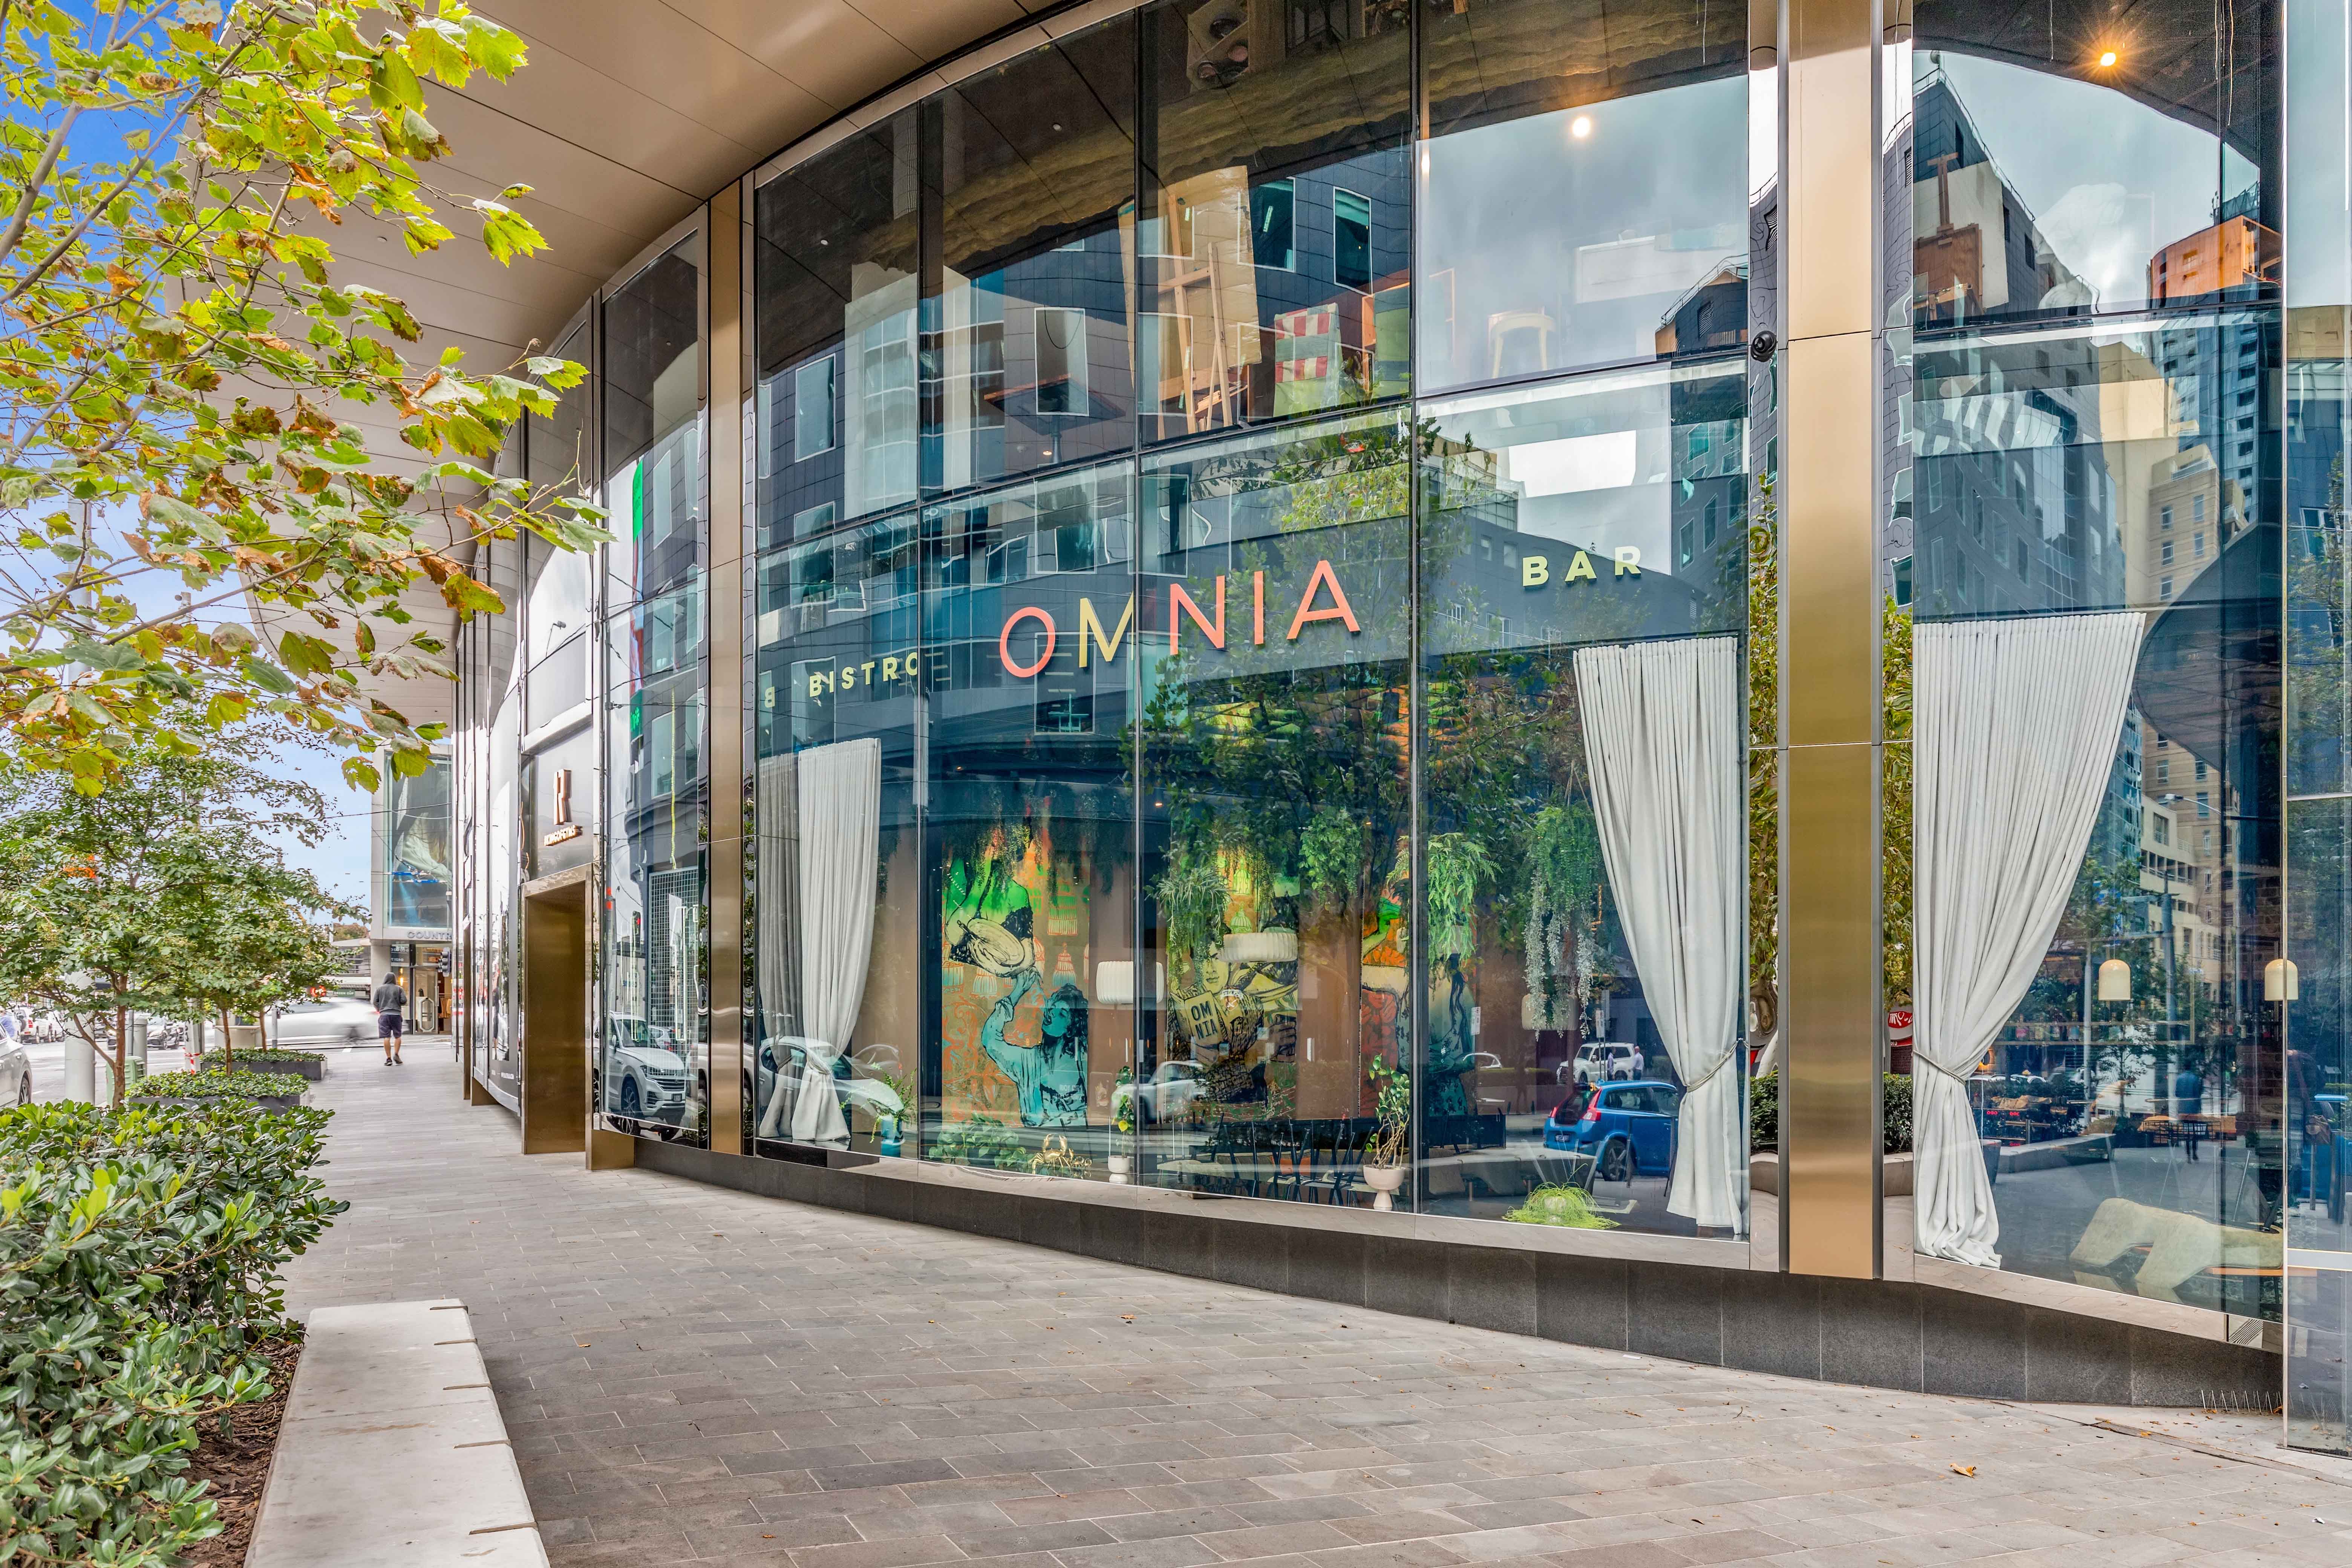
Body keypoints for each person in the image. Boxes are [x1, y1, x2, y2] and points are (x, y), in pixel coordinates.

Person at [372, 975, 407, 1065]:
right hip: (396, 1015)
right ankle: (396, 1055)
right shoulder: (399, 989)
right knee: (398, 1036)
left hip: (384, 1015)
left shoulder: (379, 989)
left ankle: (389, 1059)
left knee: (387, 1037)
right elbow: (404, 1001)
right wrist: (397, 1003)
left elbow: (375, 1002)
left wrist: (380, 1009)